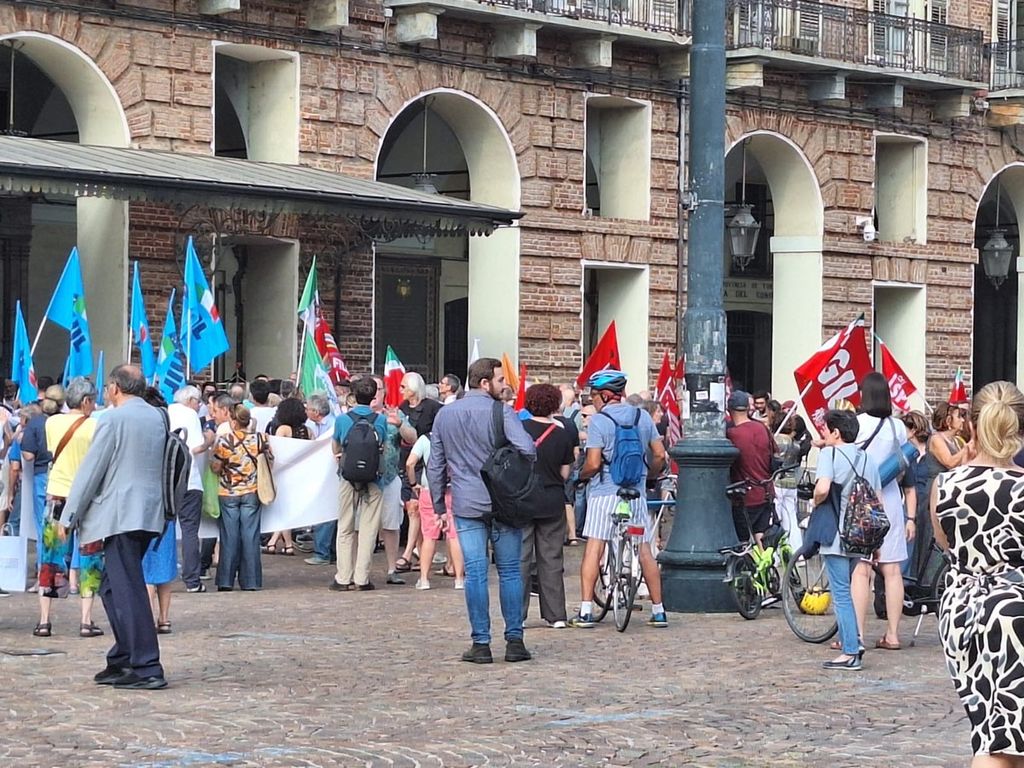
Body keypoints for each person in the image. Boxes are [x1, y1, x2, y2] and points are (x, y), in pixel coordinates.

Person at [932, 381, 1024, 765]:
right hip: (1013, 612)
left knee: (992, 732)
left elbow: (945, 544)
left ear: (972, 425)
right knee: (1006, 741)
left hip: (962, 610)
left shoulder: (946, 484)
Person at [59, 365, 168, 689]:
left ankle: (146, 665)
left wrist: (69, 516)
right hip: (149, 513)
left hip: (121, 515)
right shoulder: (158, 416)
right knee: (112, 586)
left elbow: (91, 471)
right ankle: (123, 657)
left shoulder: (112, 419)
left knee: (127, 589)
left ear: (116, 388)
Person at [427, 357, 536, 663]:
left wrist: (438, 504)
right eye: (500, 380)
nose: (506, 385)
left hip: (466, 501)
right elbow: (528, 449)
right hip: (503, 501)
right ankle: (514, 640)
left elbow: (435, 465)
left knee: (475, 572)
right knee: (510, 571)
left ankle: (481, 643)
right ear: (485, 382)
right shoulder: (502, 412)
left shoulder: (445, 414)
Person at [569, 369, 668, 629]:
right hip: (636, 494)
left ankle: (586, 611)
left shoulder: (599, 421)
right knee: (644, 549)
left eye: (593, 395)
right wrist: (649, 476)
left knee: (594, 547)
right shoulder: (642, 416)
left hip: (605, 493)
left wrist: (581, 476)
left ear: (604, 395)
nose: (592, 400)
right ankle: (659, 611)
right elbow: (660, 454)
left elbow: (593, 463)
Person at [811, 408, 883, 671]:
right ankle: (852, 640)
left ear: (836, 432)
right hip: (861, 535)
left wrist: (815, 500)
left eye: (826, 430)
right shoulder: (866, 458)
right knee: (849, 590)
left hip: (836, 533)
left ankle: (850, 650)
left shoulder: (829, 454)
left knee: (840, 593)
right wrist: (877, 543)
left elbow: (822, 488)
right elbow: (877, 500)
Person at [36, 378, 101, 638]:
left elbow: (52, 450)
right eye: (93, 401)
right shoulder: (96, 426)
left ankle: (44, 620)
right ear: (85, 401)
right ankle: (86, 619)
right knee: (90, 556)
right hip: (87, 498)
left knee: (50, 556)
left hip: (56, 495)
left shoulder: (52, 423)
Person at [853, 372, 910, 651]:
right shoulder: (897, 426)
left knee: (862, 569)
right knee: (893, 570)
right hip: (891, 497)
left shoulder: (857, 424)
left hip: (863, 499)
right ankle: (893, 634)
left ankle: (857, 635)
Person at [520, 383, 574, 628]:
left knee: (521, 559)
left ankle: (517, 614)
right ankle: (556, 615)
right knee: (551, 558)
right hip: (552, 499)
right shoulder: (562, 434)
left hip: (523, 499)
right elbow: (565, 473)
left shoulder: (519, 430)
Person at [330, 376, 390, 592]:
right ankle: (362, 578)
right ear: (374, 396)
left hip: (347, 477)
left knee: (345, 527)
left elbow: (336, 447)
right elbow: (383, 446)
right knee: (369, 528)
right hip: (374, 479)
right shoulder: (381, 420)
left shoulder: (342, 420)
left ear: (354, 395)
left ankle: (343, 577)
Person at [211, 404, 270, 592]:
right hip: (252, 491)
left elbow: (216, 467)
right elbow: (270, 460)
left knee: (229, 536)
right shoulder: (260, 439)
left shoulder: (224, 440)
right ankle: (251, 580)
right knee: (250, 536)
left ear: (234, 421)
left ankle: (226, 580)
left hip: (228, 493)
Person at [396, 372, 441, 575]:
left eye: (403, 386)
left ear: (413, 388)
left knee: (416, 508)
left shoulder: (433, 408)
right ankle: (421, 555)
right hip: (407, 461)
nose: (400, 390)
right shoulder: (402, 408)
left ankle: (407, 553)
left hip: (426, 462)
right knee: (412, 509)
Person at [169, 385, 213, 593]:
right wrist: (209, 440)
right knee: (189, 530)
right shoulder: (190, 415)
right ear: (190, 401)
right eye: (198, 401)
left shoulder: (166, 411)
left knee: (164, 528)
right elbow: (196, 447)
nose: (199, 405)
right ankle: (192, 579)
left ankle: (160, 574)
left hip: (167, 480)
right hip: (189, 478)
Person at [406, 432, 464, 590]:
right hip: (453, 490)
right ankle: (459, 579)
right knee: (454, 535)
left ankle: (424, 579)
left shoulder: (425, 439)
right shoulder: (455, 436)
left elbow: (410, 463)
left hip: (429, 491)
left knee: (429, 536)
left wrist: (413, 484)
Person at [141, 387, 177, 635]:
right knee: (164, 569)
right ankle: (164, 618)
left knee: (146, 571)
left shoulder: (142, 444)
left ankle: (146, 619)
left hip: (145, 511)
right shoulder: (173, 443)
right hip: (168, 510)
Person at [726, 390, 774, 544]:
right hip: (765, 491)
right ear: (748, 408)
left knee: (743, 541)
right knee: (761, 536)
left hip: (745, 495)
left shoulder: (731, 434)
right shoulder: (761, 428)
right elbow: (773, 454)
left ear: (729, 410)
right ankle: (765, 560)